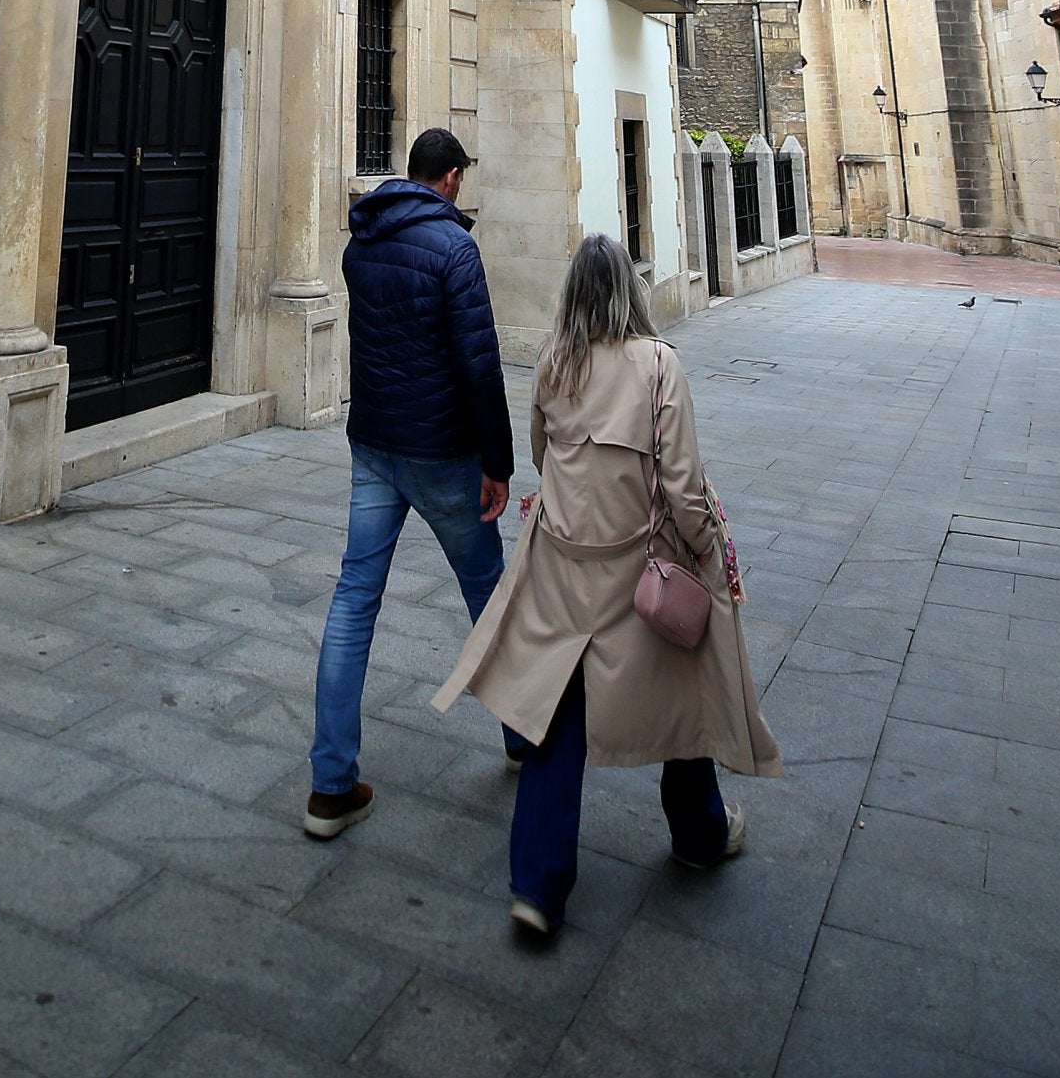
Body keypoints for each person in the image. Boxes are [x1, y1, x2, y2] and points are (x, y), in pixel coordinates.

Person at [433, 234, 781, 937]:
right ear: (631, 290)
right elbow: (683, 484)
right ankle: (700, 832)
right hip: (637, 568)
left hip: (563, 570)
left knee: (555, 718)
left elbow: (540, 454)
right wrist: (710, 551)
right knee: (686, 686)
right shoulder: (658, 365)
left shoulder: (554, 365)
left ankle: (535, 884)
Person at [305, 126, 517, 840]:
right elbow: (480, 365)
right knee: (491, 595)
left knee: (352, 599)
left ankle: (330, 783)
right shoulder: (456, 249)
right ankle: (526, 738)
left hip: (374, 444)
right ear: (452, 177)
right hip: (442, 451)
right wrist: (499, 462)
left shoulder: (361, 242)